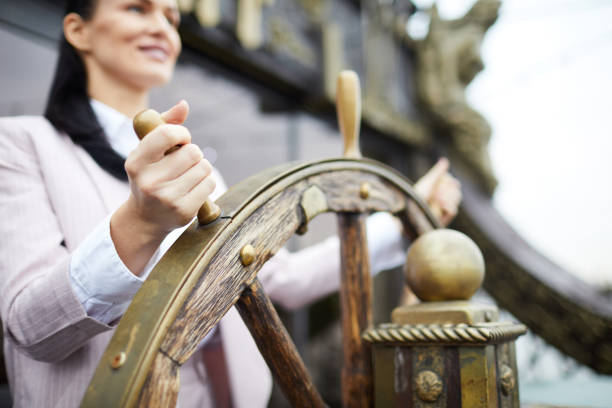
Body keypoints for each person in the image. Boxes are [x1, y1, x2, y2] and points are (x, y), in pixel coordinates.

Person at [0, 0, 461, 407]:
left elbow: (279, 277)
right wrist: (141, 224)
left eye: (171, 16)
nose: (163, 26)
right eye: (137, 8)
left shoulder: (196, 171)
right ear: (78, 29)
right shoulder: (20, 145)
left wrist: (400, 223)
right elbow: (30, 326)